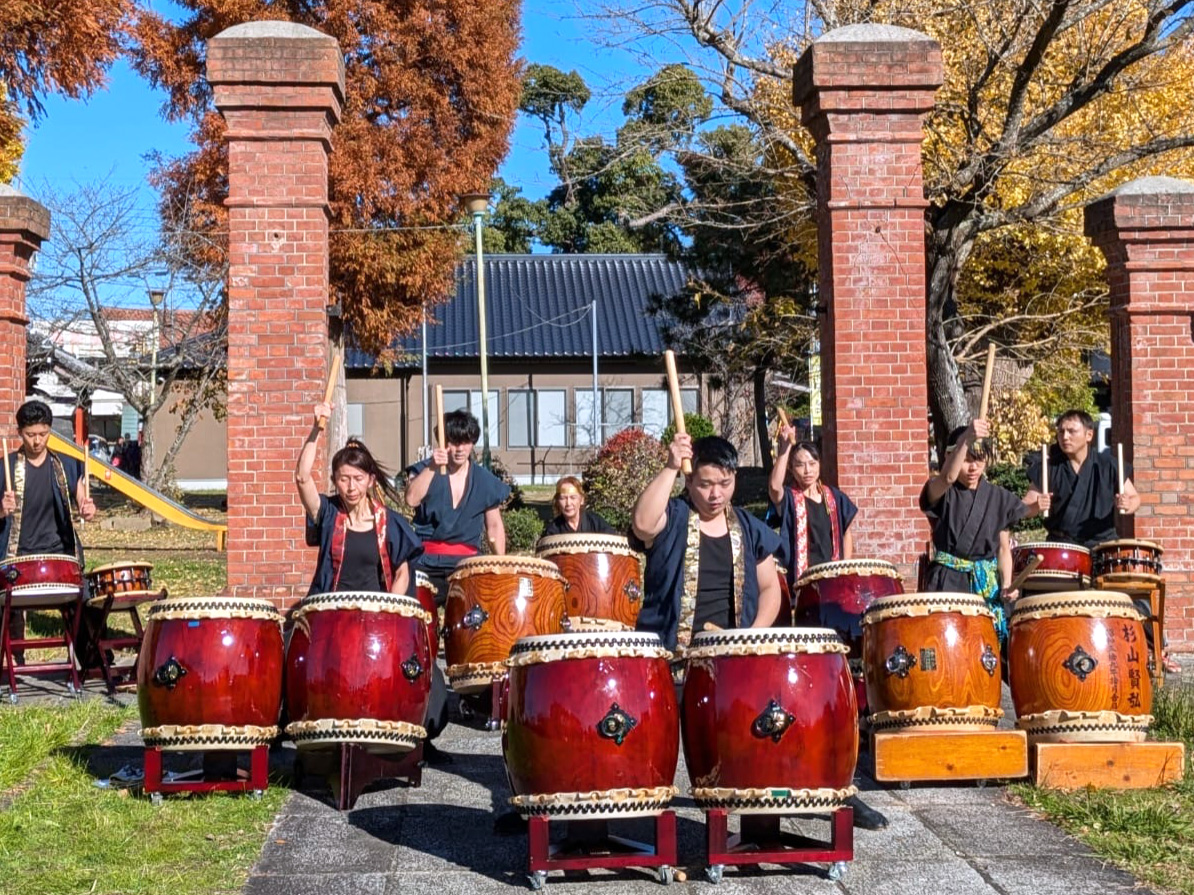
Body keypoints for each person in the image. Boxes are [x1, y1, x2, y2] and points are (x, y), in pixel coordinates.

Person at [1024, 409, 1178, 673]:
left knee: (1131, 597)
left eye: (1071, 431)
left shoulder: (1108, 464)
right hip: (1064, 548)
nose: (1064, 436)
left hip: (1103, 545)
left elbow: (1134, 498)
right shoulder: (1049, 466)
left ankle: (1155, 650)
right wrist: (1037, 505)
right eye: (1061, 431)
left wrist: (1128, 503)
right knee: (1041, 600)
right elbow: (1025, 506)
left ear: (1089, 434)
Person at [630, 434, 782, 651]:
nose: (715, 495)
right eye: (706, 484)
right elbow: (643, 525)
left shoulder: (748, 527)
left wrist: (751, 636)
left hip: (730, 655)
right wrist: (671, 467)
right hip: (668, 658)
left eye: (724, 483)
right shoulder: (673, 516)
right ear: (690, 481)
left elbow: (769, 587)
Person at [1, 400, 98, 664]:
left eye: (43, 434)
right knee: (4, 606)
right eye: (31, 435)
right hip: (17, 559)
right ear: (20, 432)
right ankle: (12, 664)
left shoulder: (65, 465)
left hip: (60, 556)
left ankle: (92, 662)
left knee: (87, 597)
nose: (36, 441)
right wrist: (2, 509)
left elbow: (82, 501)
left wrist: (87, 508)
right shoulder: (5, 467)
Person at [296, 404, 423, 597]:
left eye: (358, 479)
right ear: (334, 481)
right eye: (344, 479)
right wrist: (316, 429)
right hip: (331, 611)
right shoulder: (328, 512)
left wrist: (389, 610)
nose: (351, 487)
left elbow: (402, 573)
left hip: (374, 614)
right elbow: (302, 477)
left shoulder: (389, 521)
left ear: (370, 480)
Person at [920, 419, 1028, 643]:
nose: (973, 468)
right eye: (967, 460)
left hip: (985, 583)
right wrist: (966, 440)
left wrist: (1007, 584)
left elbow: (1003, 548)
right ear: (951, 457)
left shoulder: (997, 496)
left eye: (979, 461)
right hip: (947, 581)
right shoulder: (940, 490)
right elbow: (948, 477)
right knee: (949, 646)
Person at [403, 409, 508, 605]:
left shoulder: (484, 480)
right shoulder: (425, 470)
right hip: (425, 562)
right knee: (417, 617)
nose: (460, 449)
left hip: (466, 563)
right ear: (444, 442)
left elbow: (494, 525)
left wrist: (500, 561)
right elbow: (411, 499)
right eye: (453, 442)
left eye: (466, 442)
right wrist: (433, 467)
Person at [768, 428, 857, 587]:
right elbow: (775, 487)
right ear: (791, 468)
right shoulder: (789, 498)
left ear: (819, 464)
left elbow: (846, 533)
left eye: (812, 463)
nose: (807, 470)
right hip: (801, 581)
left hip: (832, 578)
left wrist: (845, 568)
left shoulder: (835, 498)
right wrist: (786, 448)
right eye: (800, 465)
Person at [539, 476, 617, 537]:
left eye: (573, 497)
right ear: (558, 501)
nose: (568, 503)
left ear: (581, 500)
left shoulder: (595, 522)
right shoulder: (553, 530)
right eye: (563, 498)